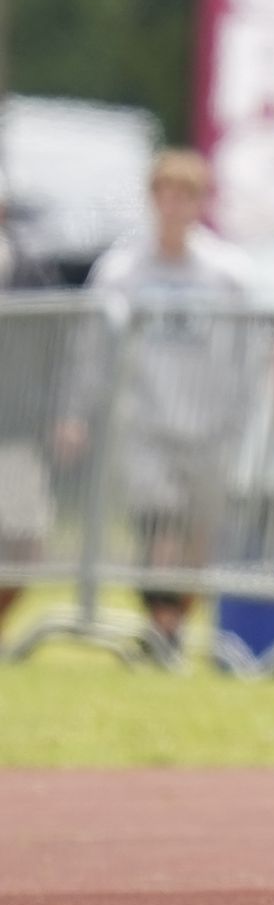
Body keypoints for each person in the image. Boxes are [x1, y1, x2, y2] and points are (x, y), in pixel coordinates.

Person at [57, 149, 251, 661]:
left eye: (186, 196)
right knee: (157, 523)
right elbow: (92, 347)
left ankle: (171, 624)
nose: (174, 207)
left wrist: (244, 415)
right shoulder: (121, 269)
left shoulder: (226, 271)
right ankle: (161, 630)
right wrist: (78, 412)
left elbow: (248, 353)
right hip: (143, 420)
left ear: (199, 203)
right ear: (153, 200)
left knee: (192, 537)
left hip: (207, 423)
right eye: (166, 195)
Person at [0, 169, 61, 639]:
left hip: (15, 425)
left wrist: (60, 411)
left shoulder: (30, 266)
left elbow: (56, 345)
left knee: (24, 543)